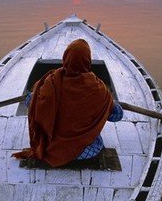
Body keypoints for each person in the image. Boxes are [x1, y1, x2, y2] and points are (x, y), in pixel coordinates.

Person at [12, 38, 123, 167]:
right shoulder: (99, 89)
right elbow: (117, 116)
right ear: (88, 61)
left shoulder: (50, 84)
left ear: (65, 58)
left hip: (51, 151)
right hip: (88, 153)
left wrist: (36, 96)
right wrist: (109, 102)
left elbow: (30, 102)